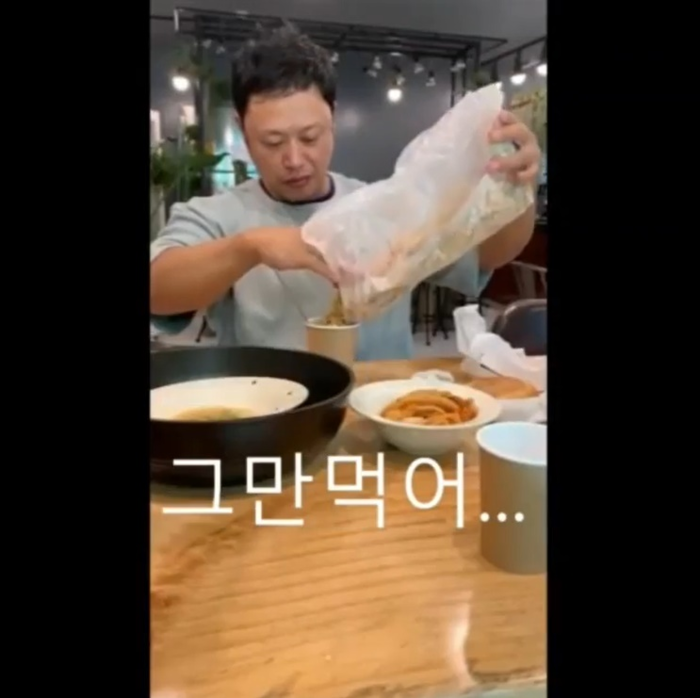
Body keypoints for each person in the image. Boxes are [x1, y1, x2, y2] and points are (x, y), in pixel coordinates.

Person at [150, 24, 541, 360]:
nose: (294, 159)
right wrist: (250, 248)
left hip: (380, 408)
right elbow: (157, 291)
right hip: (268, 408)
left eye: (310, 137)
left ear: (332, 118)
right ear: (242, 130)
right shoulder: (216, 215)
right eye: (272, 142)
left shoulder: (383, 208)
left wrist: (516, 184)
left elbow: (489, 255)